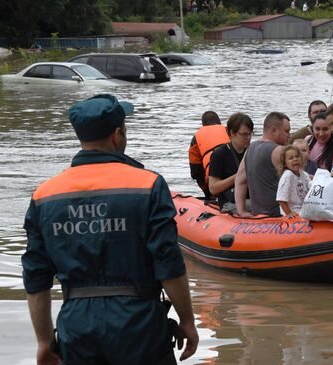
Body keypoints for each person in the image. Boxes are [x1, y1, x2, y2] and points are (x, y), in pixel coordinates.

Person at [21, 94, 199, 365]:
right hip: (139, 324)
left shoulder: (44, 195)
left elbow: (35, 276)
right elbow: (167, 261)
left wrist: (45, 341)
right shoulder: (148, 185)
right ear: (118, 135)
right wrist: (187, 320)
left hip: (77, 327)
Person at [235, 112, 291, 217]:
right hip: (278, 216)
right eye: (286, 131)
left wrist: (241, 211)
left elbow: (240, 181)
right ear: (274, 130)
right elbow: (298, 180)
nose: (289, 135)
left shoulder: (250, 148)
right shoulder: (280, 150)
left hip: (258, 216)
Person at [208, 112, 254, 213]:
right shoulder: (219, 154)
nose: (248, 138)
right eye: (244, 134)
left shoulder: (252, 151)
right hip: (228, 203)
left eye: (250, 134)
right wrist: (238, 176)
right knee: (259, 206)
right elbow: (213, 188)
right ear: (232, 133)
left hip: (251, 198)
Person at [188, 110, 229, 198]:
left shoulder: (196, 138)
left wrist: (207, 193)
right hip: (237, 176)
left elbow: (195, 171)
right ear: (219, 122)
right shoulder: (229, 130)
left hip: (215, 182)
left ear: (203, 125)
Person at [276, 145, 311, 218]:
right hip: (292, 214)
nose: (295, 159)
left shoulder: (303, 174)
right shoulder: (287, 176)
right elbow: (281, 199)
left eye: (297, 156)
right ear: (285, 163)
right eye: (291, 158)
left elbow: (311, 188)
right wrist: (289, 213)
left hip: (304, 212)